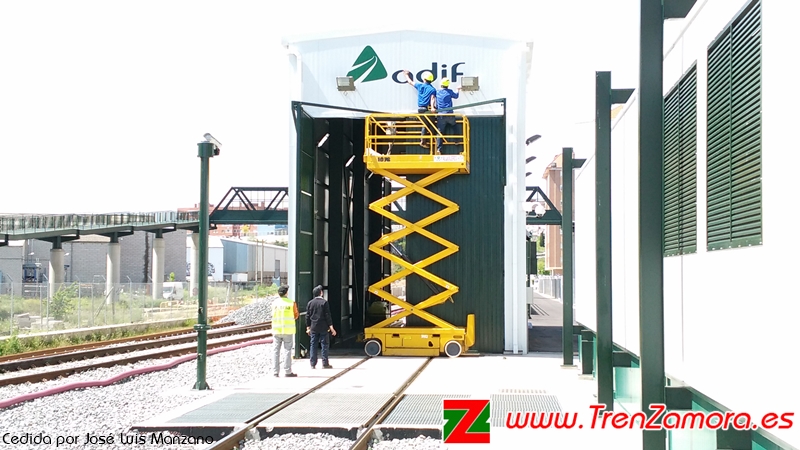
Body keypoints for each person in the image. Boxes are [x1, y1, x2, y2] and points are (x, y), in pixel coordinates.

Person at [402, 70, 437, 148]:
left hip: (420, 109)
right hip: (426, 110)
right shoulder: (432, 89)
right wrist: (432, 108)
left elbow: (410, 82)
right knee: (431, 124)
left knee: (426, 124)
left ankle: (424, 141)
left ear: (424, 79)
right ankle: (433, 140)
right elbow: (432, 99)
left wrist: (406, 75)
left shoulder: (420, 86)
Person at [271, 284, 299, 377]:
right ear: (286, 293)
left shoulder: (274, 303)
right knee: (287, 350)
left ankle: (275, 372)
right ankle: (287, 371)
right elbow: (296, 315)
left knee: (276, 351)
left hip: (276, 330)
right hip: (288, 330)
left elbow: (272, 314)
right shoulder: (291, 303)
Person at [305, 285, 337, 369]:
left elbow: (307, 316)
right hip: (323, 327)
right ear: (321, 293)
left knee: (313, 345)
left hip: (313, 327)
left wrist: (308, 327)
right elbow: (327, 316)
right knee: (324, 345)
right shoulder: (324, 303)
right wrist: (332, 328)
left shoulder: (310, 303)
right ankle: (325, 363)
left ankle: (313, 364)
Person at [435, 79, 462, 154]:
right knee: (454, 126)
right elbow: (456, 96)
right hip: (449, 114)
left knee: (440, 132)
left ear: (441, 85)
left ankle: (439, 149)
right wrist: (458, 89)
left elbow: (433, 98)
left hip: (441, 115)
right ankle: (457, 141)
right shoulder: (449, 91)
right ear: (447, 85)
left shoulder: (437, 92)